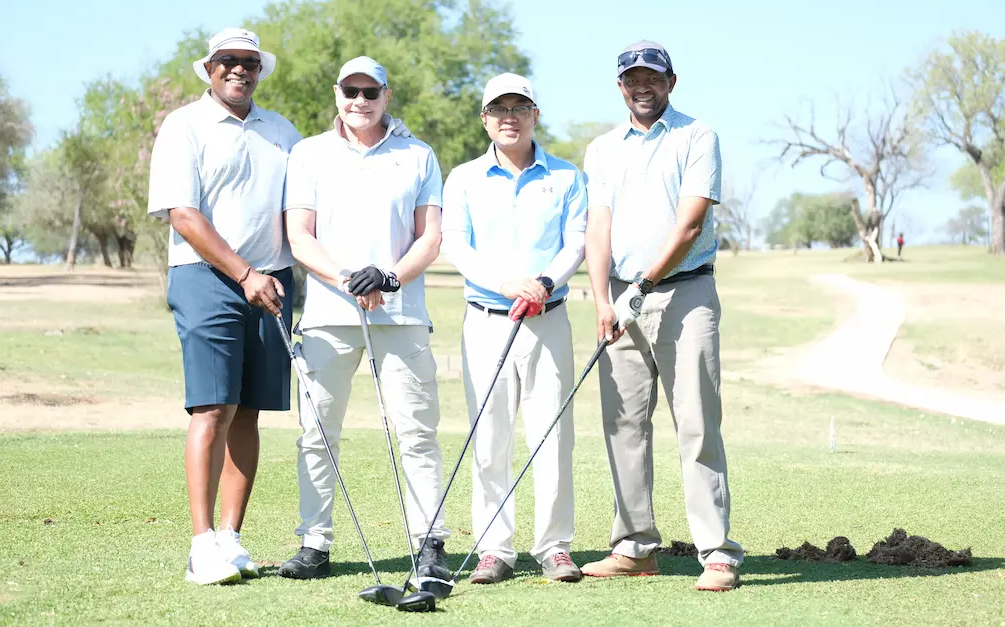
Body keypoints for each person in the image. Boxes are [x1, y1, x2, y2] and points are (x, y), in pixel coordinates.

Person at [579, 40, 744, 591]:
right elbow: (597, 227)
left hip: (684, 294)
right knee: (623, 423)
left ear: (671, 82)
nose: (641, 86)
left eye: (652, 77)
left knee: (696, 423)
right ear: (620, 87)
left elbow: (689, 226)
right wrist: (604, 298)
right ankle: (634, 547)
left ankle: (717, 553)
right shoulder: (601, 149)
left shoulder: (698, 136)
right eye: (631, 79)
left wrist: (643, 286)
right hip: (620, 299)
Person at [279, 56, 451, 581]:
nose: (359, 101)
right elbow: (300, 236)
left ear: (386, 95)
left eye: (369, 92)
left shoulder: (417, 155)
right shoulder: (308, 154)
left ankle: (430, 542)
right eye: (350, 91)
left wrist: (390, 278)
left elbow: (431, 236)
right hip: (329, 315)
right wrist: (351, 279)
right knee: (317, 432)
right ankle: (315, 544)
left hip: (401, 315)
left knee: (417, 433)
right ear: (336, 94)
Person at [147, 28, 300, 585]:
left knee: (250, 410)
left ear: (260, 70)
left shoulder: (281, 131)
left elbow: (302, 207)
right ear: (209, 69)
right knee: (212, 408)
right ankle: (200, 543)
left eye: (249, 62)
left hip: (274, 281)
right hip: (207, 277)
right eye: (227, 61)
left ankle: (232, 539)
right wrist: (244, 273)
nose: (239, 69)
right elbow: (182, 216)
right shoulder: (183, 125)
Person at [442, 73, 588, 584]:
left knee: (552, 435)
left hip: (548, 317)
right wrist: (509, 284)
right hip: (486, 319)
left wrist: (543, 282)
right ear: (484, 119)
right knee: (490, 438)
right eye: (498, 108)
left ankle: (554, 546)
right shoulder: (462, 178)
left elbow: (576, 243)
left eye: (519, 107)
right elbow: (456, 247)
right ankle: (494, 549)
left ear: (534, 116)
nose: (509, 116)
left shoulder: (567, 177)